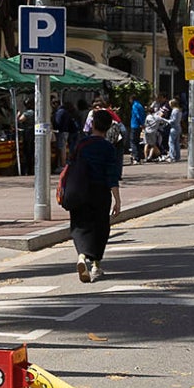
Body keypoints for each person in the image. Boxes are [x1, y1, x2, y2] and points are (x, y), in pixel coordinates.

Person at [59, 105, 126, 281]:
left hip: (80, 189)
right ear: (108, 127)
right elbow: (112, 176)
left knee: (80, 224)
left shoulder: (81, 143)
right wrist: (117, 200)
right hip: (100, 191)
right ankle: (96, 265)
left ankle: (82, 256)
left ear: (93, 124)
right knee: (100, 227)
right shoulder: (108, 148)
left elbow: (70, 164)